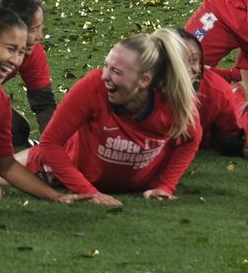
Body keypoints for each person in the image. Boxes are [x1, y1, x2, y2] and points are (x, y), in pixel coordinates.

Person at [26, 29, 201, 206]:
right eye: (106, 65)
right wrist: (88, 192)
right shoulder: (94, 86)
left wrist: (165, 186)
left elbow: (192, 139)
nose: (105, 76)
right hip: (66, 170)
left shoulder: (173, 99)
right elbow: (50, 143)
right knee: (2, 170)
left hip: (134, 184)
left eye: (116, 71)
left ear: (145, 80)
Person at [0, 1, 64, 210]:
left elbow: (6, 166)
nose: (16, 60)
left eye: (21, 52)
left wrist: (55, 196)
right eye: (10, 49)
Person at [167, 28, 245, 154]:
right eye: (179, 61)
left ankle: (237, 89)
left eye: (193, 60)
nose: (187, 68)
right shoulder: (139, 85)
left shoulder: (217, 92)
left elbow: (229, 137)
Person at [0, 0, 57, 146]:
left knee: (17, 132)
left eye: (40, 27)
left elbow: (44, 103)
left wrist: (53, 146)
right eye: (34, 30)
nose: (40, 36)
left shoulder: (32, 51)